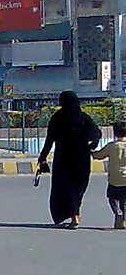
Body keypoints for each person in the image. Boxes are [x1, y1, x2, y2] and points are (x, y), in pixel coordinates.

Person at [38, 90, 101, 228]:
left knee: (65, 187)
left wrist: (42, 158)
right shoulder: (83, 117)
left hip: (63, 157)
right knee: (78, 187)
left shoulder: (57, 118)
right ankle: (75, 213)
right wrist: (91, 146)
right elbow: (97, 134)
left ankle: (74, 215)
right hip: (81, 157)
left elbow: (49, 140)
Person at [92, 121, 126, 229]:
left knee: (112, 197)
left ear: (115, 133)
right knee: (124, 200)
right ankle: (123, 218)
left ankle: (117, 212)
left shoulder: (111, 146)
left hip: (114, 179)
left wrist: (91, 151)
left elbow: (99, 155)